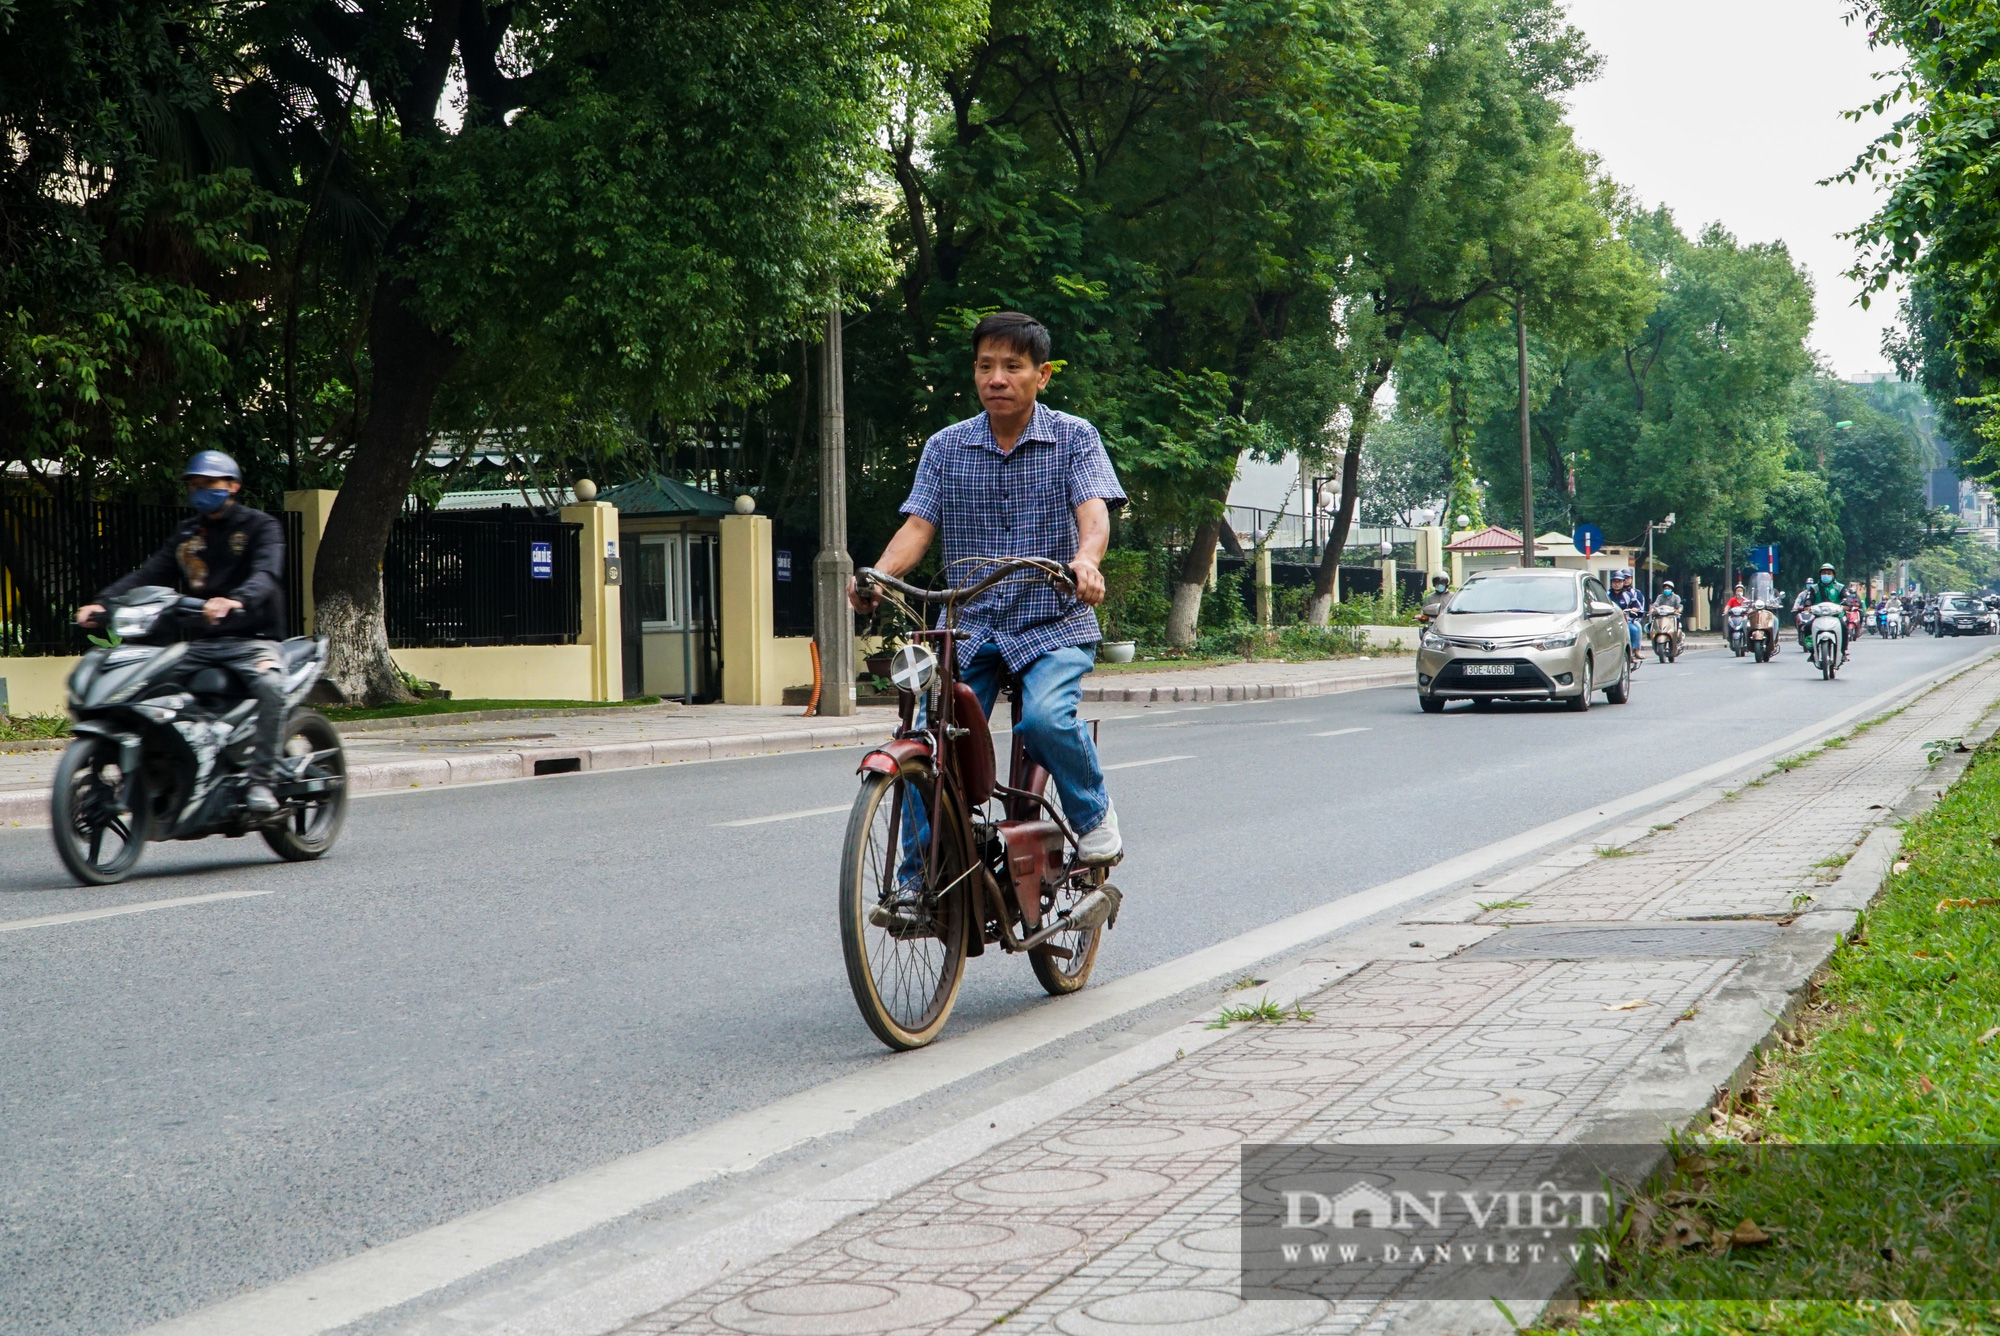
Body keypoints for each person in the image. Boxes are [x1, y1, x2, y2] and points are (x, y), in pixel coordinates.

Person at [851, 311, 1128, 864]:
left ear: (1042, 374)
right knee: (931, 742)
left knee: (1045, 720)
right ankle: (918, 878)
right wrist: (878, 577)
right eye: (985, 366)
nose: (996, 378)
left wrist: (1086, 561)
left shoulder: (1074, 437)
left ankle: (1093, 814)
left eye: (1012, 366)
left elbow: (1093, 514)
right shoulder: (945, 447)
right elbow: (918, 527)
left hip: (1053, 620)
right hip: (971, 628)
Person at [75, 451, 288, 813]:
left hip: (254, 641)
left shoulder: (260, 526)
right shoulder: (188, 532)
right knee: (143, 690)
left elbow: (266, 575)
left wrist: (235, 600)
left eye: (208, 484)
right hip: (200, 643)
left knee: (270, 687)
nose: (199, 491)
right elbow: (150, 574)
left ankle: (262, 782)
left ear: (232, 486)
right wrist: (103, 602)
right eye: (193, 485)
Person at [1609, 571, 1646, 664]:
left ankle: (1633, 652)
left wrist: (1634, 609)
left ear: (1623, 582)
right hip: (1609, 622)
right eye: (1614, 582)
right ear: (1611, 583)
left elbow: (1638, 606)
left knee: (1634, 630)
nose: (1616, 584)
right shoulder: (1606, 595)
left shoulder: (1628, 595)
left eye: (1619, 582)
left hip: (1624, 621)